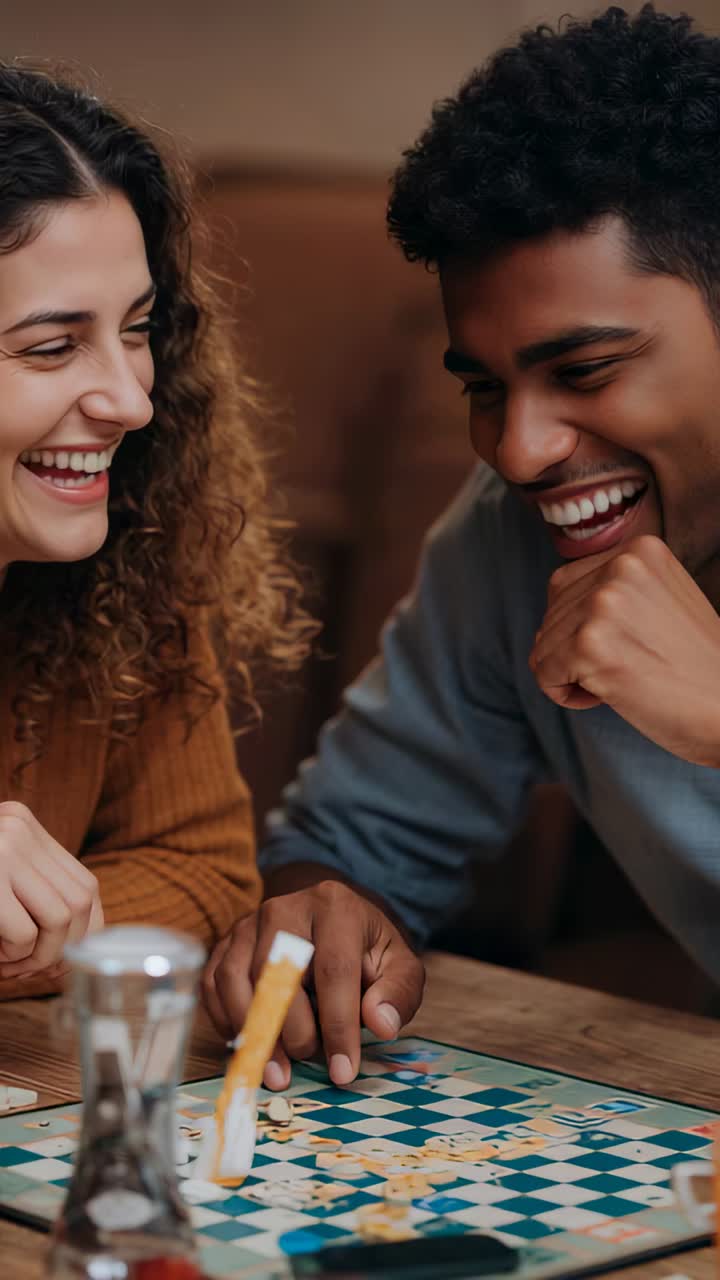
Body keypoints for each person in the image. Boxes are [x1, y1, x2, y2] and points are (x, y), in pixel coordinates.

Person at [204, 2, 720, 1086]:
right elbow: (349, 846)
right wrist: (328, 914)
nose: (521, 451)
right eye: (485, 386)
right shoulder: (507, 543)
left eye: (583, 371)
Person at [0, 63, 312, 997]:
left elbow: (202, 871)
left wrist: (32, 932)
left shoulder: (127, 557)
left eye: (137, 329)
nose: (133, 402)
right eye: (51, 347)